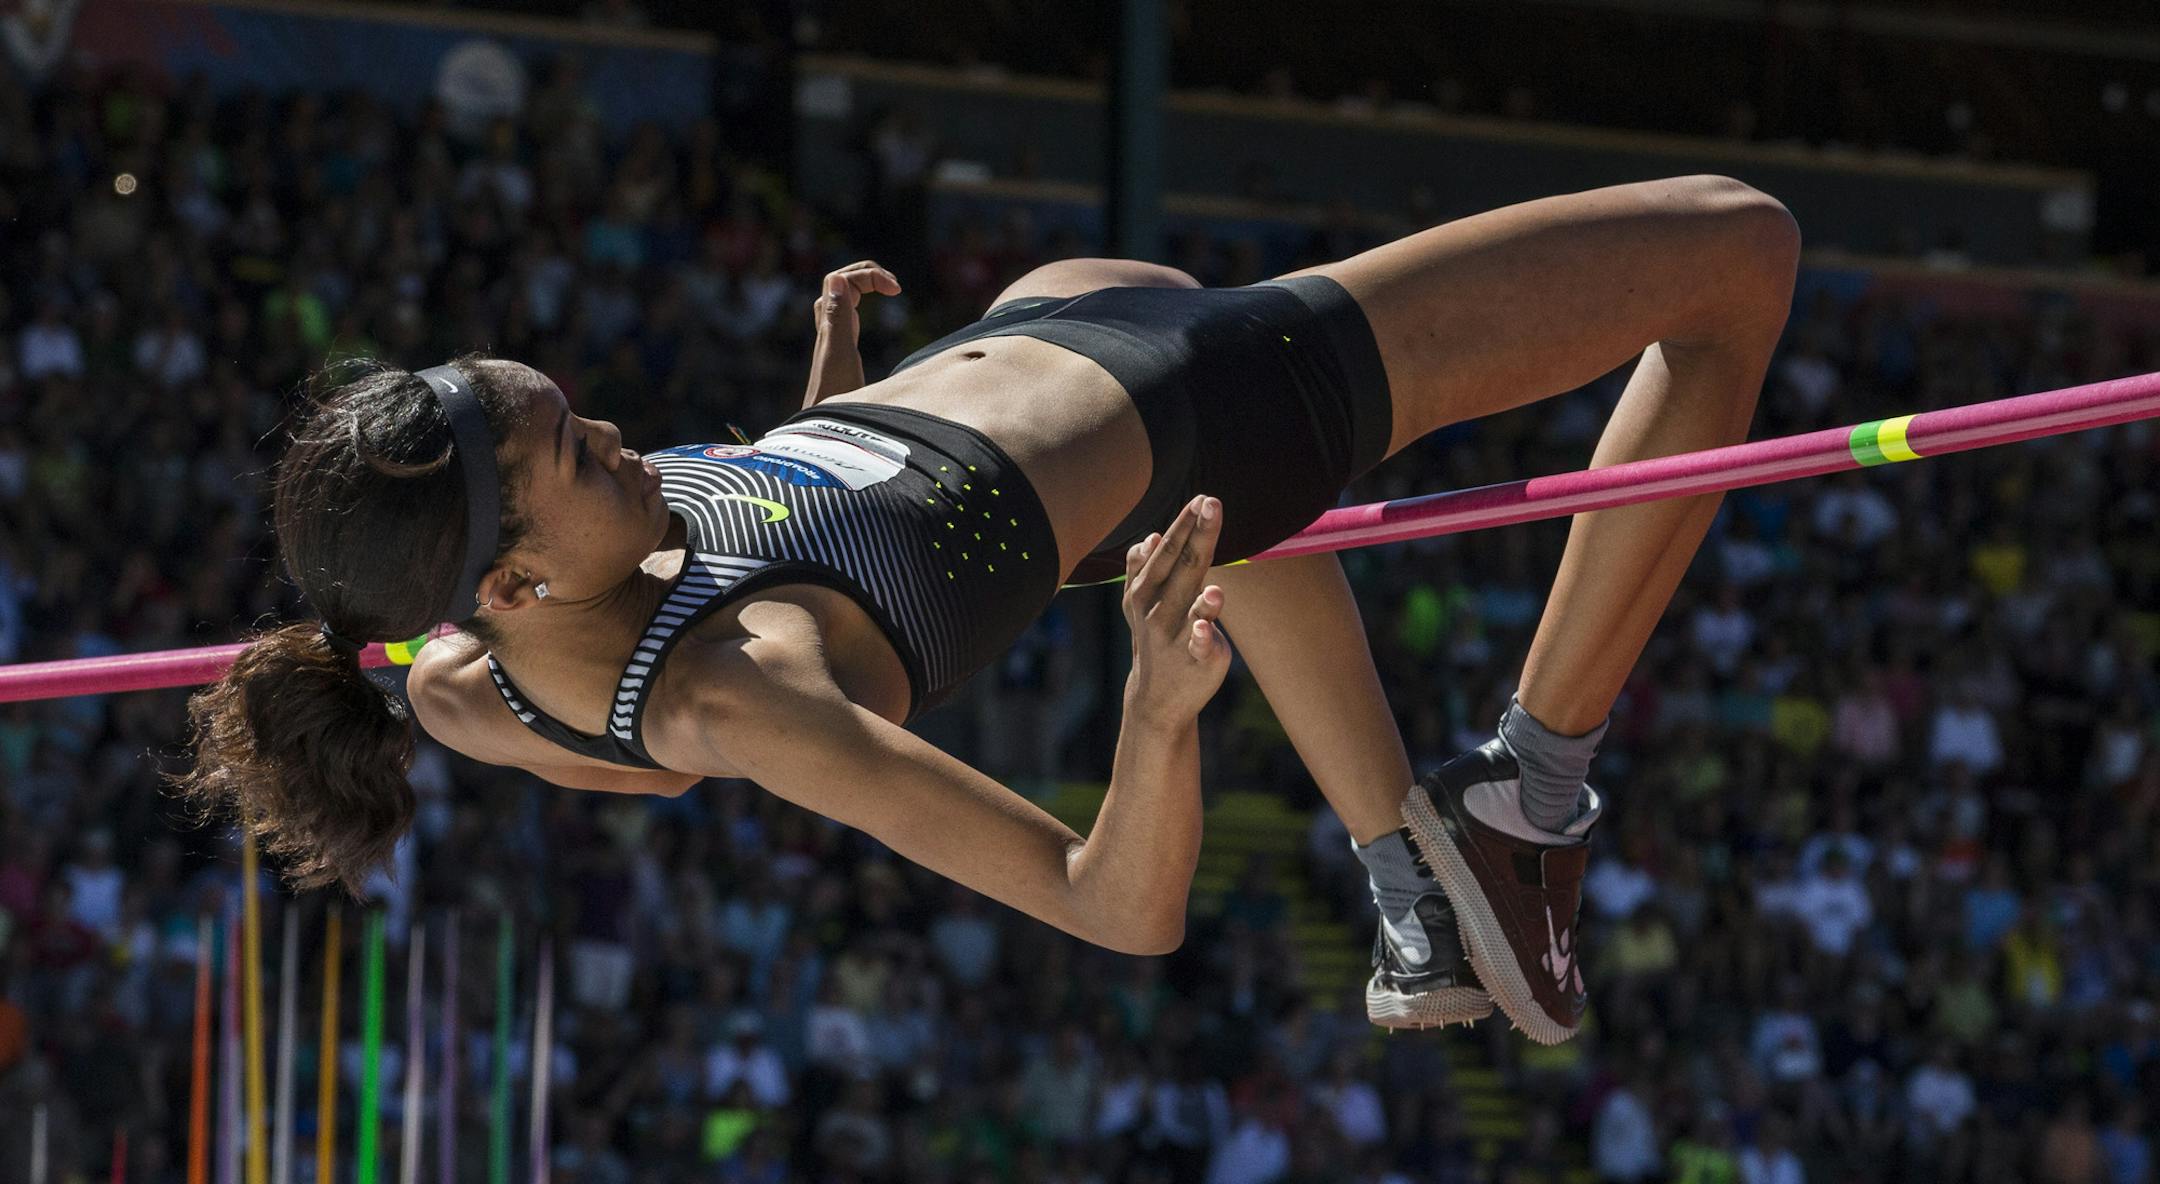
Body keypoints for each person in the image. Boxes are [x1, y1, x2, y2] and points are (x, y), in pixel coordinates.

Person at [177, 175, 1798, 1045]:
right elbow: (1115, 911)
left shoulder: (469, 678)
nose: (615, 434)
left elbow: (638, 743)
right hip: (1218, 399)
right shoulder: (752, 696)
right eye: (578, 452)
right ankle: (1530, 792)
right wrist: (1157, 711)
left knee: (1093, 277)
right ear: (520, 576)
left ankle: (1412, 884)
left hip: (1021, 381)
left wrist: (818, 424)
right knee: (1735, 255)